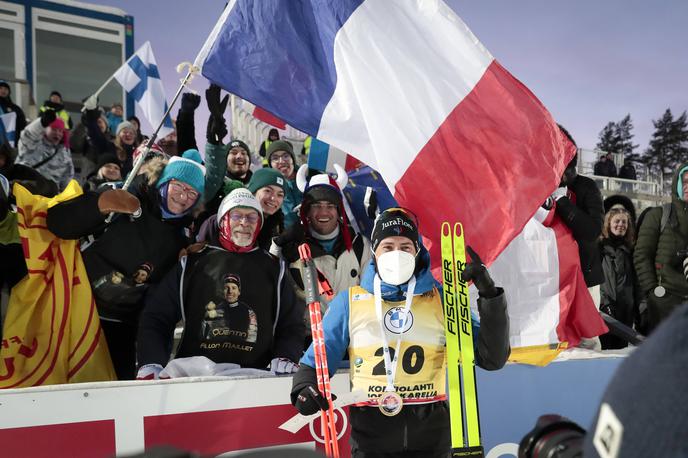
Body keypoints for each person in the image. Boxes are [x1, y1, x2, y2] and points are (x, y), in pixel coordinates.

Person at [291, 208, 510, 457]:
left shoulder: (442, 300)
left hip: (433, 437)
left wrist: (490, 296)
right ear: (375, 252)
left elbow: (492, 357)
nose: (397, 254)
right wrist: (304, 387)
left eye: (405, 247)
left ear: (417, 252)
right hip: (372, 437)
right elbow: (315, 361)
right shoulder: (350, 302)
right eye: (388, 246)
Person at [46, 149, 206, 379]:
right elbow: (56, 223)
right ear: (163, 181)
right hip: (76, 310)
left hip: (122, 326)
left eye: (192, 193)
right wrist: (98, 205)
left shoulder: (182, 235)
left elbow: (157, 302)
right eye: (178, 186)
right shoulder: (124, 193)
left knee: (113, 391)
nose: (183, 197)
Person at [136, 188, 303, 379]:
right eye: (237, 215)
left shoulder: (274, 268)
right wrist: (151, 361)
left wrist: (286, 355)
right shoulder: (193, 263)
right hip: (193, 379)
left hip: (256, 378)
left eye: (251, 217)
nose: (244, 223)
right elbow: (157, 317)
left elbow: (291, 324)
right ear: (223, 220)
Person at [271, 164, 371, 345]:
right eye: (316, 205)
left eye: (330, 206)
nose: (324, 212)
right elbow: (271, 283)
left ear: (339, 210)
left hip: (350, 340)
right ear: (306, 210)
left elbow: (370, 296)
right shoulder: (291, 248)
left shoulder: (359, 246)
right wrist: (277, 246)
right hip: (306, 342)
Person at [634, 162, 688, 333]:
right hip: (664, 302)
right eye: (684, 181)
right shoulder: (658, 215)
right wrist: (652, 292)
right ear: (677, 184)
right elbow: (641, 255)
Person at [197, 167, 286, 251]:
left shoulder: (278, 225)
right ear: (253, 191)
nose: (273, 198)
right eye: (268, 191)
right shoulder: (220, 220)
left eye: (280, 195)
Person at [599, 202, 641, 349]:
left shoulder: (631, 250)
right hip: (606, 309)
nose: (621, 225)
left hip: (626, 312)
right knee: (605, 350)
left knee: (621, 351)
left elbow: (636, 283)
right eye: (617, 221)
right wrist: (604, 303)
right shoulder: (600, 247)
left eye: (624, 222)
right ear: (609, 223)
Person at [16, 110, 74, 191]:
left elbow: (67, 176)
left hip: (49, 197)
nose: (57, 133)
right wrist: (42, 122)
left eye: (60, 131)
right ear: (45, 129)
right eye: (54, 129)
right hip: (24, 191)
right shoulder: (33, 144)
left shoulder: (64, 152)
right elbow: (28, 135)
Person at [267, 140, 302, 228]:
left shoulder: (309, 177)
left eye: (286, 156)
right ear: (270, 165)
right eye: (275, 158)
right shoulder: (267, 188)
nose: (281, 161)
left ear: (292, 159)